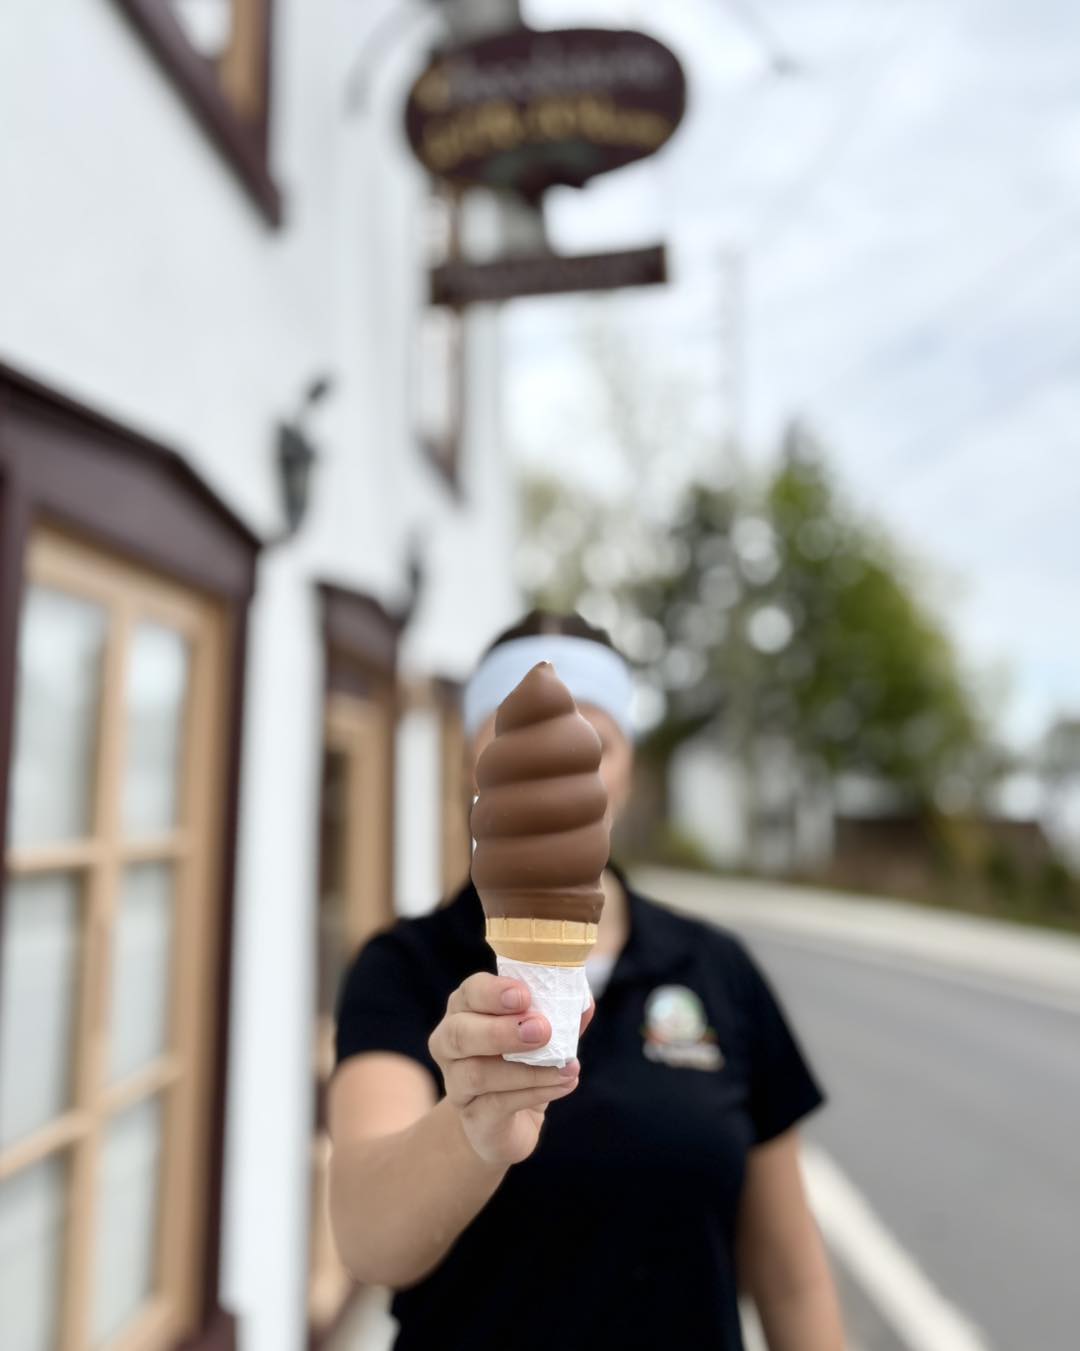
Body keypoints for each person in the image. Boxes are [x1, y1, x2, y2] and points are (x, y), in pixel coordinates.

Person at [328, 611, 846, 1351]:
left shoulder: (716, 968)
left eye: (589, 746)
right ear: (474, 775)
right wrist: (470, 1127)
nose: (560, 774)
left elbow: (792, 1278)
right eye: (518, 749)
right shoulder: (405, 966)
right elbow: (369, 1240)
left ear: (628, 763)